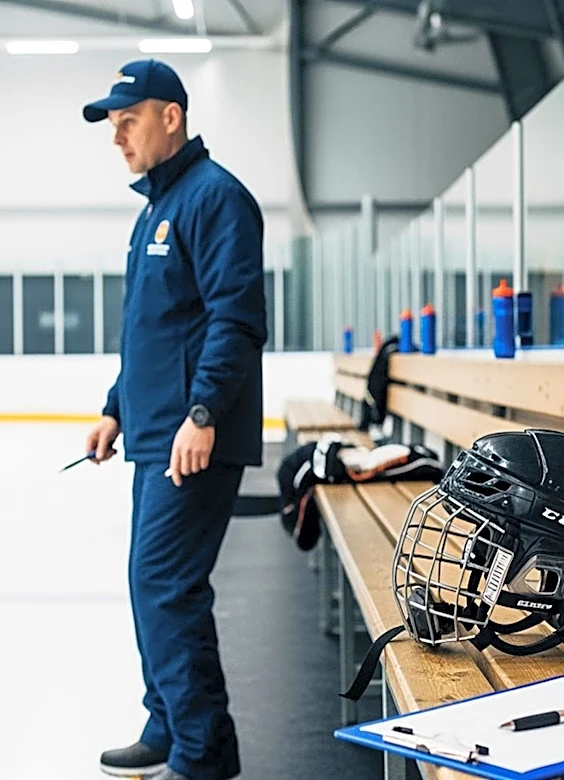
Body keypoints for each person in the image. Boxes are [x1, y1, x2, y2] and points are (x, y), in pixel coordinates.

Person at [82, 59, 266, 780]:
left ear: (171, 116)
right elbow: (152, 330)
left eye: (127, 121)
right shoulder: (156, 209)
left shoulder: (215, 199)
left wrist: (202, 412)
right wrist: (115, 408)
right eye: (112, 125)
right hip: (155, 435)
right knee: (147, 582)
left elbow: (236, 320)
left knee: (167, 586)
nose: (117, 138)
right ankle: (165, 723)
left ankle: (203, 752)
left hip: (193, 438)